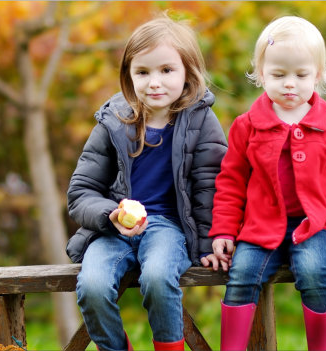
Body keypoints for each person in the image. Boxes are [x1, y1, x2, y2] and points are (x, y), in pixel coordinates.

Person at [209, 15, 326, 351]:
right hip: (260, 228)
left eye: (301, 75)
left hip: (316, 227)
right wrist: (224, 230)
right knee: (241, 275)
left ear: (318, 76)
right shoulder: (246, 126)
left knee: (313, 272)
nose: (289, 84)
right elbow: (231, 183)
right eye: (278, 75)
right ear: (261, 75)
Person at [64, 16, 227, 351]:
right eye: (143, 72)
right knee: (92, 286)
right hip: (114, 231)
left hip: (168, 228)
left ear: (188, 72)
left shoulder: (201, 121)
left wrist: (210, 242)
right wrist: (110, 214)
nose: (155, 82)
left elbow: (210, 187)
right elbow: (80, 192)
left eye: (167, 70)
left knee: (157, 278)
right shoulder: (112, 120)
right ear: (129, 75)